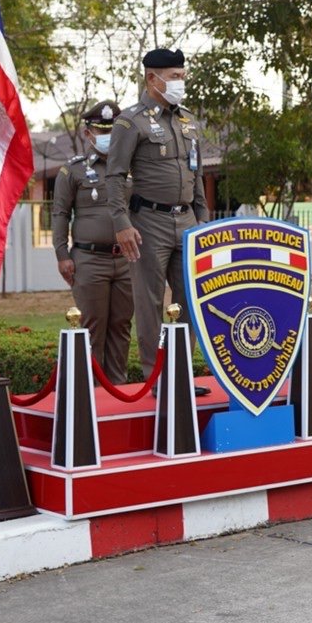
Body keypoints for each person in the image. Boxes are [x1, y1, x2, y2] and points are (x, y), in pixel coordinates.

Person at [106, 48, 208, 377]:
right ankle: (156, 377)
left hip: (188, 222)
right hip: (148, 223)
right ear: (153, 78)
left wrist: (202, 220)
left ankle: (181, 373)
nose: (181, 82)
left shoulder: (187, 120)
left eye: (182, 76)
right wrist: (121, 224)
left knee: (191, 299)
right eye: (175, 77)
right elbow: (115, 176)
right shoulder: (130, 121)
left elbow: (198, 174)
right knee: (150, 303)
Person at [52, 101, 133, 384]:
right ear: (88, 134)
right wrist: (62, 255)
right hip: (89, 261)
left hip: (127, 261)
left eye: (113, 130)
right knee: (92, 329)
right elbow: (60, 214)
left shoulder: (132, 168)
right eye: (101, 130)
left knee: (121, 327)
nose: (107, 136)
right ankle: (91, 393)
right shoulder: (72, 171)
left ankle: (118, 391)